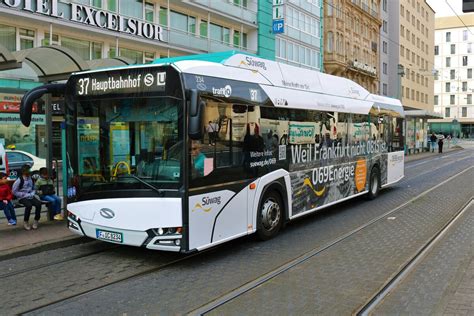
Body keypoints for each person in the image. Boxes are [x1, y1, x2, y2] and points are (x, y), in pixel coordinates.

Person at [12, 164, 42, 230]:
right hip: (22, 197)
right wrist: (24, 194)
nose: (29, 172)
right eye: (28, 171)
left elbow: (33, 188)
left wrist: (32, 193)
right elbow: (14, 192)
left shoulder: (31, 178)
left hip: (31, 195)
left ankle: (36, 220)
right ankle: (26, 221)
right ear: (24, 172)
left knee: (38, 204)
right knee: (29, 206)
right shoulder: (19, 180)